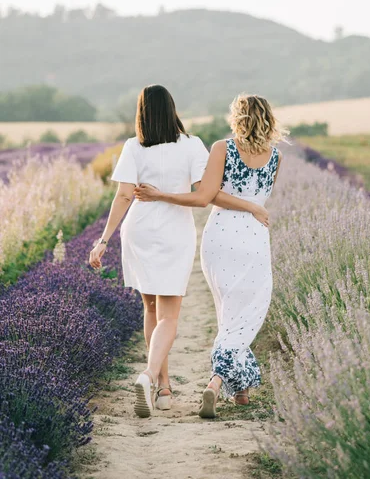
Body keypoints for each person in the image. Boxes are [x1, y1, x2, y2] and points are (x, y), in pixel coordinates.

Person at [89, 85, 270, 418]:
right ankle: (151, 378)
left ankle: (163, 386)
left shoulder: (132, 147)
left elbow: (123, 197)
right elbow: (206, 193)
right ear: (173, 110)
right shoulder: (192, 145)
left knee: (151, 309)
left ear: (141, 112)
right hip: (175, 230)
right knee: (170, 315)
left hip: (139, 229)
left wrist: (103, 239)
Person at [134, 94, 286, 418]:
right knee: (245, 315)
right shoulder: (276, 157)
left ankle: (238, 389)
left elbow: (208, 195)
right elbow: (255, 199)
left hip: (220, 237)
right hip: (254, 237)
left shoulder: (222, 148)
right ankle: (218, 384)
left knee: (229, 314)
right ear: (268, 119)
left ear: (238, 118)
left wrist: (159, 195)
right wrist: (252, 206)